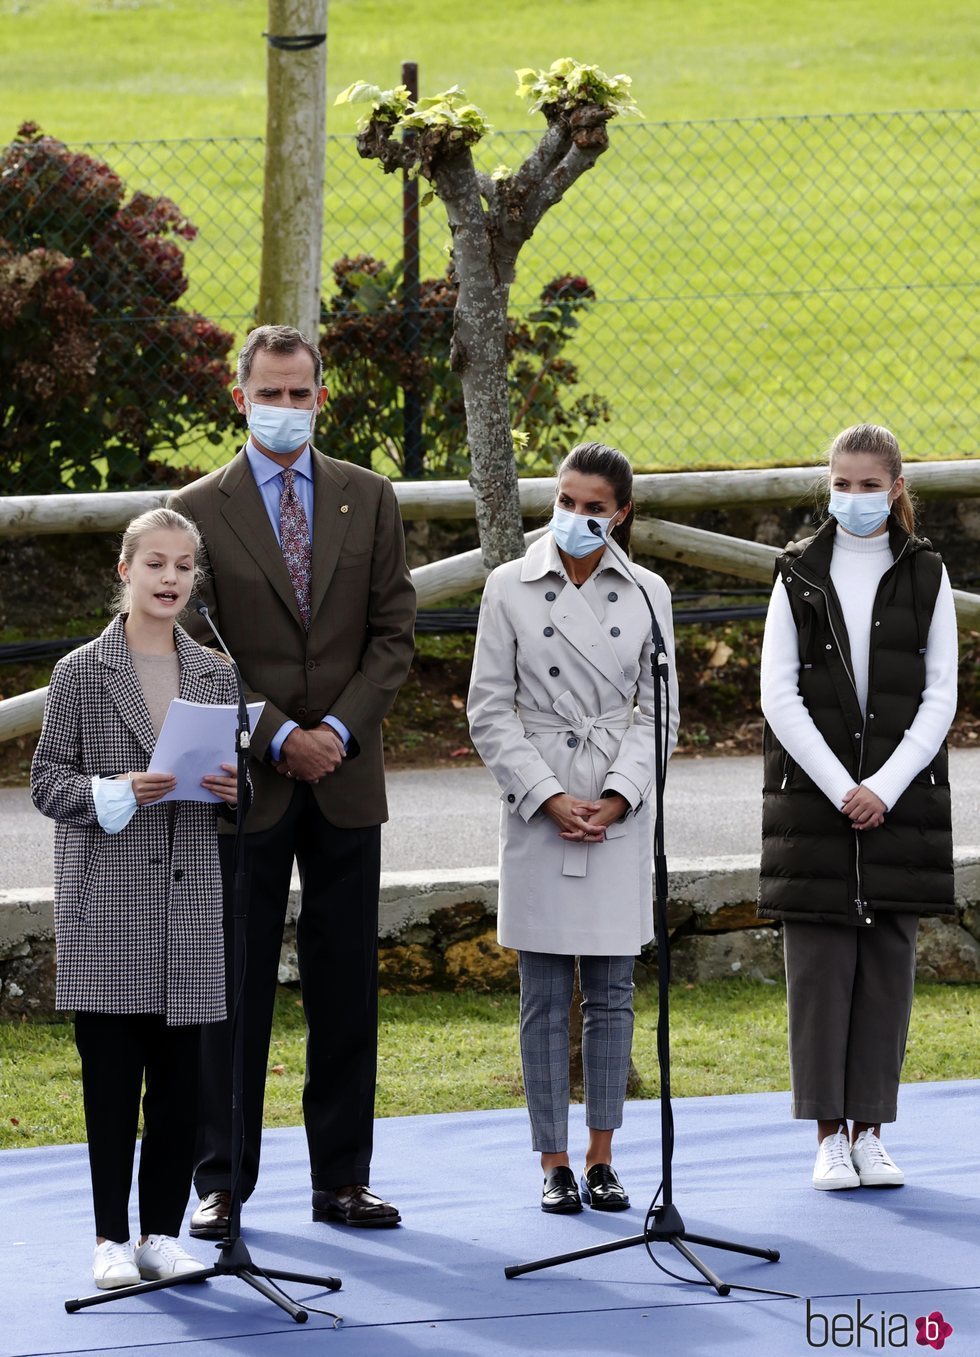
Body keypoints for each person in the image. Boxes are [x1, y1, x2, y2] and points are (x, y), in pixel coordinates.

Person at [170, 324, 416, 1235]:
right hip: (247, 784)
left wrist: (339, 730)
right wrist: (276, 734)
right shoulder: (195, 508)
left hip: (347, 779)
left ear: (321, 396)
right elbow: (189, 644)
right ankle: (221, 1181)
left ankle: (342, 1180)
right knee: (231, 991)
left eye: (298, 394)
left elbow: (394, 632)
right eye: (267, 394)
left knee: (346, 985)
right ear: (239, 398)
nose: (284, 409)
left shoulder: (370, 498)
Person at [31, 508, 242, 1289]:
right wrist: (115, 790)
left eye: (184, 566)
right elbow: (47, 783)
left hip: (188, 909)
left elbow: (236, 786)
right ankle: (109, 1237)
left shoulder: (216, 672)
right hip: (108, 907)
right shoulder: (80, 672)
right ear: (125, 570)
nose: (170, 579)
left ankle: (160, 1231)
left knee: (182, 1082)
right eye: (155, 563)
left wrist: (231, 787)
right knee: (113, 1082)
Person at [467, 442, 678, 1214]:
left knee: (615, 991)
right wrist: (549, 796)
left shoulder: (650, 591)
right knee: (545, 992)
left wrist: (620, 796)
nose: (577, 517)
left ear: (621, 512)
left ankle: (602, 1155)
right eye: (566, 500)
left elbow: (661, 711)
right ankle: (552, 1158)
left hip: (618, 806)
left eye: (595, 506)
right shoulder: (508, 585)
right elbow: (488, 705)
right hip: (540, 800)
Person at [759, 423, 957, 1191]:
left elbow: (940, 695)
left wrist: (888, 786)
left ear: (896, 488)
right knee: (819, 970)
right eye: (841, 484)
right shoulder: (796, 574)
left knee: (886, 969)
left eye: (869, 485)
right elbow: (780, 694)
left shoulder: (928, 573)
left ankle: (872, 1130)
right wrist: (843, 786)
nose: (854, 497)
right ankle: (828, 1136)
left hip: (901, 805)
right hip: (815, 803)